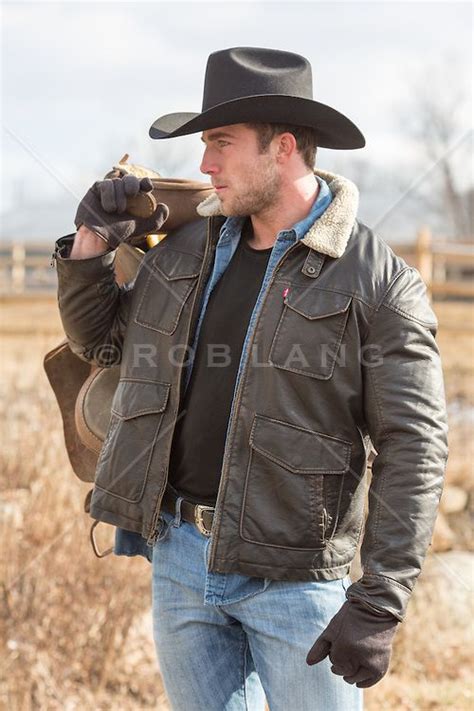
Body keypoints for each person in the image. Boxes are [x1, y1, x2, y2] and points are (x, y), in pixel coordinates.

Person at [54, 47, 448, 711]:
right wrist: (93, 239)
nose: (205, 164)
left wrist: (379, 603)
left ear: (282, 148)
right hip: (179, 560)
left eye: (220, 143)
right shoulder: (184, 248)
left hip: (295, 582)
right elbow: (100, 343)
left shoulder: (379, 284)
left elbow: (415, 447)